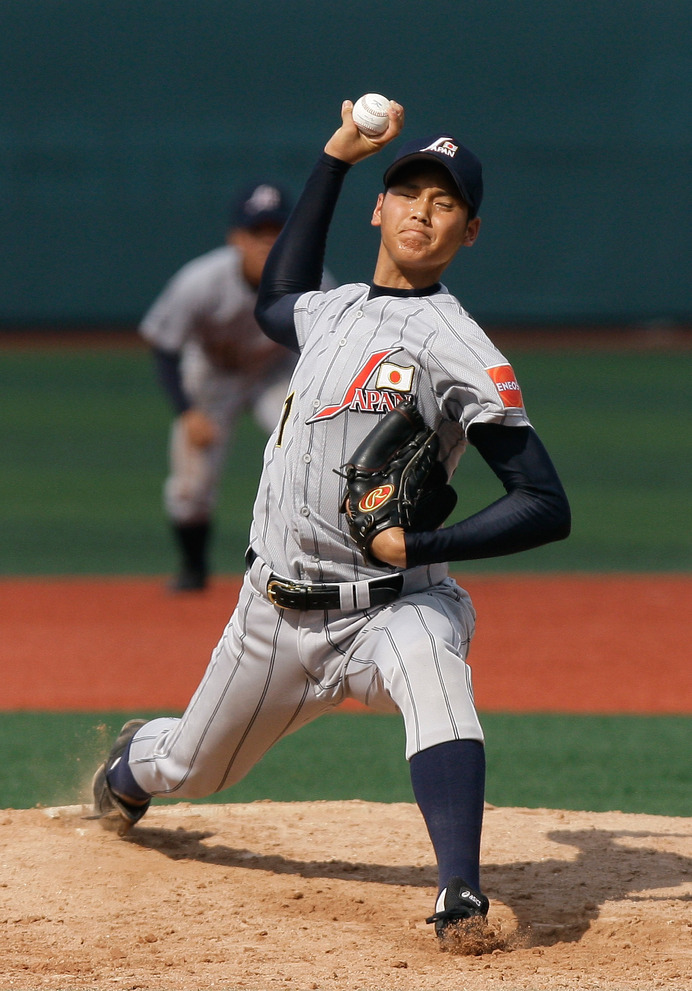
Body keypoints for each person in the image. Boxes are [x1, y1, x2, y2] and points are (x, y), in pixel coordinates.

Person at [93, 99, 570, 946]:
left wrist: (425, 546)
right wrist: (337, 157)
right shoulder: (332, 310)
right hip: (274, 617)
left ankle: (459, 890)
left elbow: (545, 503)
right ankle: (132, 765)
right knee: (191, 767)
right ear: (379, 210)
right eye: (410, 192)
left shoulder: (462, 346)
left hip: (396, 601)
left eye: (446, 202)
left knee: (436, 670)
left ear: (469, 232)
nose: (424, 209)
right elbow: (277, 293)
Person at [139, 181, 297, 591]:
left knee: (307, 445)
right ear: (236, 238)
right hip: (211, 378)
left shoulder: (309, 278)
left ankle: (303, 559)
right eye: (257, 233)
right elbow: (165, 347)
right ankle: (194, 569)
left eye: (276, 232)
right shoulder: (201, 280)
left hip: (274, 374)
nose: (267, 242)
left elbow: (332, 344)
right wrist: (187, 411)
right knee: (190, 485)